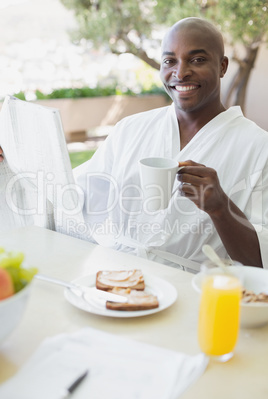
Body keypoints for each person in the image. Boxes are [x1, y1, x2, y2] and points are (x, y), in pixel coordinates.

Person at [1, 17, 268, 272]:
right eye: (169, 60)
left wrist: (220, 208)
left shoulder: (257, 147)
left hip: (194, 292)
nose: (181, 72)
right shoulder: (131, 129)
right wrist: (11, 164)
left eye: (197, 59)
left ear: (222, 66)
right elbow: (70, 194)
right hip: (115, 279)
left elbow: (260, 260)